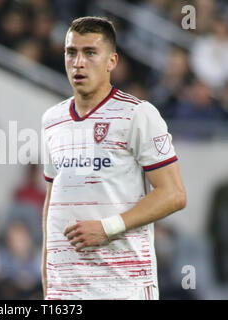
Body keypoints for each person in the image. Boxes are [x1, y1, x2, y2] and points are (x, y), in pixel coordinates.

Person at [41, 16, 186, 300]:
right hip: (65, 291)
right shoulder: (52, 120)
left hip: (122, 287)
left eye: (90, 53)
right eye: (71, 52)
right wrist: (47, 277)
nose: (78, 62)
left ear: (112, 61)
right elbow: (51, 202)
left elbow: (174, 194)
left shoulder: (137, 114)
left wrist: (107, 228)